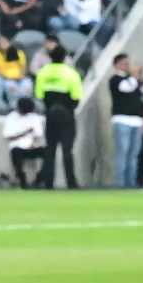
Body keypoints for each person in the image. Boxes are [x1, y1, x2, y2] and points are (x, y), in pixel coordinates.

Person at [34, 45, 83, 188]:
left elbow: (39, 95)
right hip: (66, 113)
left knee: (50, 149)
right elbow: (76, 97)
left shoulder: (43, 72)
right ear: (64, 57)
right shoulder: (71, 73)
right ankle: (71, 183)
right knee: (67, 150)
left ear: (50, 57)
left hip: (50, 113)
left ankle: (48, 183)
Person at [109, 53, 143, 188]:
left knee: (133, 155)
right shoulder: (115, 80)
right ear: (116, 65)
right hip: (122, 120)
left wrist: (141, 77)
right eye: (124, 63)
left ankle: (131, 184)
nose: (127, 66)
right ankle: (120, 184)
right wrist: (134, 76)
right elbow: (127, 88)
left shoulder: (134, 80)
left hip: (136, 121)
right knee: (122, 153)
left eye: (128, 63)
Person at [3, 97, 45, 188]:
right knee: (16, 155)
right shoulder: (11, 117)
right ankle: (22, 181)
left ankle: (39, 179)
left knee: (48, 154)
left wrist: (33, 144)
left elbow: (38, 134)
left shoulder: (34, 117)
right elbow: (8, 136)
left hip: (32, 146)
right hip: (17, 146)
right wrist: (25, 133)